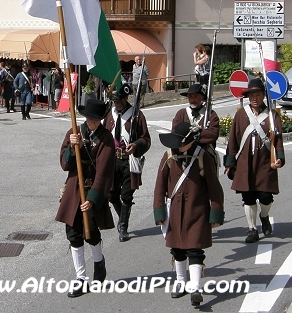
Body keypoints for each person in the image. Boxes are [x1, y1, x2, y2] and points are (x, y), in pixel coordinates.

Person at [153, 122, 224, 306]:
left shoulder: (203, 157)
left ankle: (195, 288)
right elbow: (159, 186)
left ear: (190, 141)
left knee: (195, 249)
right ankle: (180, 282)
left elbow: (214, 187)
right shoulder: (169, 156)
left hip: (197, 210)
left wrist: (216, 212)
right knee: (177, 249)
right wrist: (159, 210)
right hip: (174, 212)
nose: (176, 145)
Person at [55, 99, 115, 298]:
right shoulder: (74, 132)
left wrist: (94, 197)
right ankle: (81, 278)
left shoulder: (106, 138)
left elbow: (105, 172)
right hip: (74, 188)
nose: (92, 122)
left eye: (96, 119)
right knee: (73, 233)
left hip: (92, 189)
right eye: (89, 118)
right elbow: (65, 164)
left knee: (91, 232)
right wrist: (73, 148)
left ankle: (99, 261)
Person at [224, 78, 285, 244]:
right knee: (248, 197)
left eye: (257, 94)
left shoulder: (272, 116)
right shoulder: (241, 115)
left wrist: (279, 158)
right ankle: (252, 229)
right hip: (245, 163)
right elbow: (233, 141)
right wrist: (230, 163)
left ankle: (264, 216)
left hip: (265, 162)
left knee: (265, 196)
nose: (255, 98)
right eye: (252, 95)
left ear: (263, 95)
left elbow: (277, 140)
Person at [102, 83, 151, 242]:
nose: (116, 103)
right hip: (113, 160)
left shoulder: (136, 115)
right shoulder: (110, 114)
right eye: (114, 101)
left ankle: (123, 226)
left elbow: (146, 139)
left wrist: (136, 145)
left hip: (130, 160)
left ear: (125, 98)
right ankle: (123, 216)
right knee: (112, 194)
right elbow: (104, 134)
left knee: (127, 196)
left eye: (118, 100)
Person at [172, 83, 219, 157]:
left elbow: (213, 134)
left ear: (202, 97)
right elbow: (175, 132)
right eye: (190, 96)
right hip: (183, 150)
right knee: (168, 157)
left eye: (196, 96)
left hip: (204, 151)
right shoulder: (181, 113)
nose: (193, 99)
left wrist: (195, 136)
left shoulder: (211, 114)